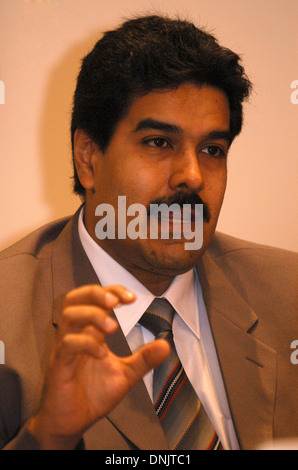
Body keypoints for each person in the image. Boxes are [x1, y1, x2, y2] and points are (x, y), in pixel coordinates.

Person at [0, 15, 297, 451]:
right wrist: (49, 437)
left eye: (212, 150)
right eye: (159, 142)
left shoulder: (288, 293)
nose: (193, 176)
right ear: (88, 158)